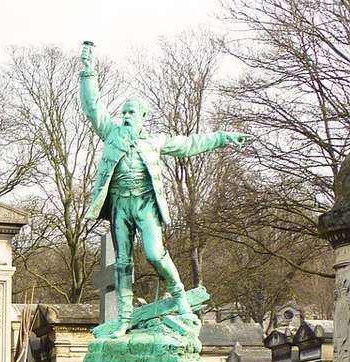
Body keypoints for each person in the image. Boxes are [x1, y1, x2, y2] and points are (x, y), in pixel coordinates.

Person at [80, 41, 249, 338]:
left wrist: (222, 137)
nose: (127, 116)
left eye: (133, 112)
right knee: (122, 262)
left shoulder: (155, 141)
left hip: (145, 204)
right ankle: (124, 318)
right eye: (125, 112)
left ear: (144, 117)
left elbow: (189, 144)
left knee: (156, 254)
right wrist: (87, 72)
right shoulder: (111, 132)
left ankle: (179, 295)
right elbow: (92, 105)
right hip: (119, 204)